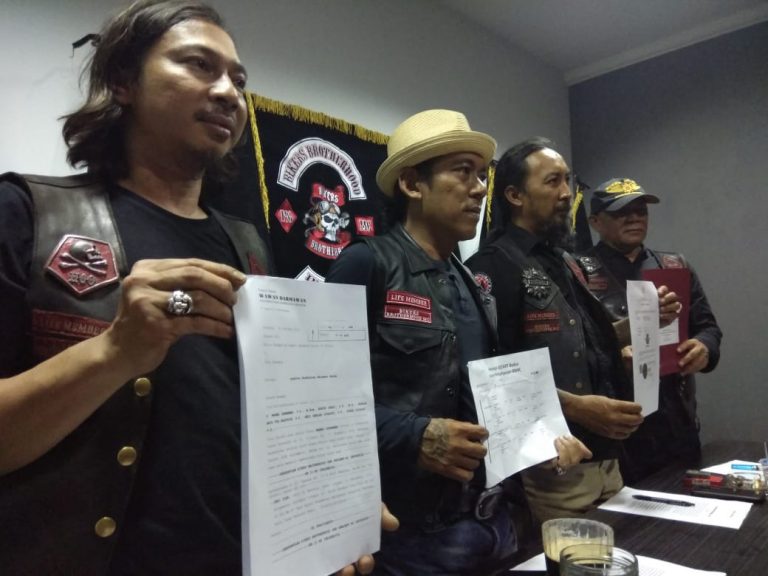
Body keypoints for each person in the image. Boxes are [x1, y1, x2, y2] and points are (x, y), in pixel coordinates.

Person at [0, 1, 393, 574]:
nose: (230, 93)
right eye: (198, 64)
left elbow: (275, 419)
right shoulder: (28, 213)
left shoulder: (250, 245)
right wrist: (115, 351)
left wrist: (326, 506)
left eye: (239, 79)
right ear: (123, 81)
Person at [326, 111, 591, 576]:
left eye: (481, 175)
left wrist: (537, 441)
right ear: (412, 184)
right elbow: (322, 402)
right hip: (412, 537)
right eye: (462, 172)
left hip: (496, 522)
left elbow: (485, 391)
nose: (480, 189)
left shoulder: (470, 280)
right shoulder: (366, 264)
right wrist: (415, 435)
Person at [465, 138, 681, 523]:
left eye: (567, 180)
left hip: (605, 457)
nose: (567, 193)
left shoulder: (563, 260)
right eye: (552, 182)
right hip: (550, 467)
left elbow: (587, 340)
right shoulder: (492, 265)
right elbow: (491, 375)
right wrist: (578, 407)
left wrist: (642, 323)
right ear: (514, 195)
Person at [576, 177, 722, 482]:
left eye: (640, 211)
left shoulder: (674, 265)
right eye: (620, 212)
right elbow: (576, 349)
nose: (634, 218)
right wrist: (617, 353)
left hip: (676, 420)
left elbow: (708, 328)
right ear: (595, 222)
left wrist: (703, 348)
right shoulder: (578, 273)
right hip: (619, 427)